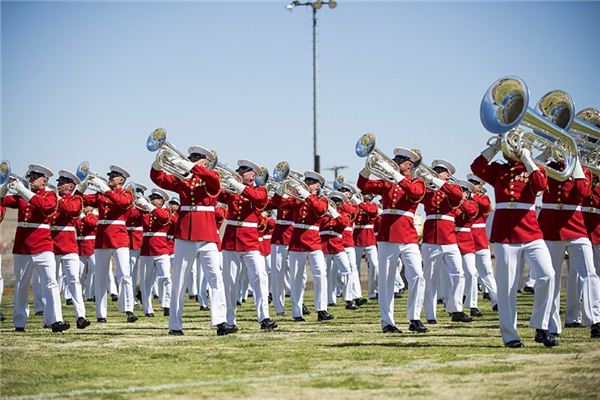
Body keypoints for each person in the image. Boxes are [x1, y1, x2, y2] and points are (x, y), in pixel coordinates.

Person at [471, 140, 557, 348]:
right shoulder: (499, 170)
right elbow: (477, 167)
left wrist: (528, 158)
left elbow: (540, 186)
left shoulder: (534, 168)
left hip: (530, 230)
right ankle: (510, 334)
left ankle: (541, 325)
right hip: (506, 234)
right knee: (507, 286)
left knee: (548, 275)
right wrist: (495, 146)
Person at [151, 145, 234, 336]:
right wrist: (158, 162)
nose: (190, 160)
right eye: (190, 158)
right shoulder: (183, 179)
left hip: (207, 233)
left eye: (195, 158)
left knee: (215, 278)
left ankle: (221, 321)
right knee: (179, 280)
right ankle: (175, 325)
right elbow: (159, 178)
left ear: (205, 162)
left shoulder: (212, 177)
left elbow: (212, 179)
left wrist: (189, 166)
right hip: (186, 233)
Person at [357, 147, 429, 334]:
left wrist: (395, 176)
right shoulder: (386, 183)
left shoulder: (417, 181)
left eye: (400, 159)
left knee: (417, 276)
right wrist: (367, 168)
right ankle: (387, 321)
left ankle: (414, 318)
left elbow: (414, 193)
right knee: (386, 279)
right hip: (388, 234)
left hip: (408, 234)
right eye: (395, 158)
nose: (395, 161)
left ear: (409, 164)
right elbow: (363, 185)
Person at [0, 164, 70, 332]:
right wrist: (5, 186)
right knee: (21, 285)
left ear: (44, 181)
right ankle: (19, 321)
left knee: (50, 283)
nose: (30, 180)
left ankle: (55, 320)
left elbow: (46, 207)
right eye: (30, 177)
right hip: (23, 246)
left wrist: (22, 190)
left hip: (43, 245)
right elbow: (2, 200)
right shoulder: (21, 196)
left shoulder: (50, 194)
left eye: (34, 178)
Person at [538, 158, 600, 339]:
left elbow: (581, 191)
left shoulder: (582, 170)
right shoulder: (548, 167)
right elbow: (537, 184)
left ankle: (595, 320)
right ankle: (551, 324)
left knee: (589, 273)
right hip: (550, 226)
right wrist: (545, 153)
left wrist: (577, 163)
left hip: (575, 225)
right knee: (552, 277)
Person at [219, 159, 277, 331]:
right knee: (229, 282)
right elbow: (214, 191)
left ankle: (264, 317)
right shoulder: (231, 191)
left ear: (252, 175)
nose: (238, 173)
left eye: (243, 171)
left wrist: (238, 187)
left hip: (250, 241)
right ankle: (230, 320)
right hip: (231, 240)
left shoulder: (260, 190)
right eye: (238, 170)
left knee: (260, 278)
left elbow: (260, 201)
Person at [78, 165, 138, 323]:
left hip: (119, 237)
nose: (111, 177)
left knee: (125, 274)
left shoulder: (127, 194)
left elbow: (121, 203)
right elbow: (79, 200)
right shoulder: (100, 195)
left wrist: (104, 188)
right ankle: (101, 314)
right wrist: (83, 184)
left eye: (115, 175)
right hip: (102, 238)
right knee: (100, 276)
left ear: (122, 180)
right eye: (110, 175)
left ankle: (128, 309)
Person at [420, 159, 472, 324]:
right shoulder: (427, 188)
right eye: (434, 170)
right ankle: (430, 315)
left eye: (440, 171)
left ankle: (455, 309)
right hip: (430, 238)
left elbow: (457, 196)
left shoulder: (453, 188)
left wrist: (437, 181)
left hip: (449, 238)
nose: (435, 173)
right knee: (429, 278)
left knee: (458, 274)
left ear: (448, 174)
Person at [281, 170, 334, 322]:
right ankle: (297, 312)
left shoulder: (322, 200)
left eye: (311, 182)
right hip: (297, 240)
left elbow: (319, 210)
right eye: (307, 182)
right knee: (296, 277)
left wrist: (307, 195)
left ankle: (321, 309)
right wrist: (284, 189)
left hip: (313, 240)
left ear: (318, 186)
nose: (307, 184)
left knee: (320, 274)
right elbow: (281, 204)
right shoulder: (297, 199)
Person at [51, 170, 90, 329]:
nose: (59, 185)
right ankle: (53, 317)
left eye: (62, 183)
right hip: (52, 243)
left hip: (68, 245)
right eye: (59, 182)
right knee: (52, 282)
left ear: (71, 186)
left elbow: (72, 210)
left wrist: (57, 199)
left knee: (74, 280)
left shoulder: (75, 199)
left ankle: (80, 316)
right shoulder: (54, 199)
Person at [136, 188, 174, 318]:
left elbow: (163, 219)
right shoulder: (145, 211)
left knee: (166, 277)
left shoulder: (166, 211)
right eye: (151, 198)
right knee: (147, 281)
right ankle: (148, 309)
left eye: (155, 198)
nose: (152, 200)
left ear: (162, 200)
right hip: (146, 248)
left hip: (161, 248)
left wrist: (148, 205)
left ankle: (167, 304)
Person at [466, 174, 498, 310]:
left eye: (476, 183)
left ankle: (496, 300)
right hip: (466, 237)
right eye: (471, 182)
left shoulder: (483, 198)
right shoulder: (463, 198)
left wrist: (471, 195)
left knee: (487, 271)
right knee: (470, 273)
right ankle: (472, 305)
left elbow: (486, 207)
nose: (473, 185)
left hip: (480, 238)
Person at [320, 191, 354, 309]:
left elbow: (344, 223)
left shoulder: (344, 214)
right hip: (324, 245)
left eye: (337, 202)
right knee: (326, 274)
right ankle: (329, 299)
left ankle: (348, 298)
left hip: (337, 245)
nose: (335, 203)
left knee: (347, 271)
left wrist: (333, 213)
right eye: (333, 201)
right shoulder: (322, 213)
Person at [454, 180, 483, 317]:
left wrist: (460, 200)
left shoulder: (471, 204)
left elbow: (471, 212)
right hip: (452, 238)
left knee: (472, 272)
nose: (461, 194)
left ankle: (472, 304)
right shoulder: (452, 202)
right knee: (454, 275)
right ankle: (453, 304)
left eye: (464, 192)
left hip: (466, 239)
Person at [353, 193, 380, 300]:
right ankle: (355, 293)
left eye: (369, 194)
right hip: (357, 237)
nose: (366, 195)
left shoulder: (373, 205)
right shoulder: (356, 205)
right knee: (354, 267)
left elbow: (372, 212)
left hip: (369, 238)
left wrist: (359, 202)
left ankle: (372, 292)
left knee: (374, 265)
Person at [77, 206, 98, 302]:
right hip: (80, 247)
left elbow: (92, 223)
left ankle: (93, 293)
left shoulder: (94, 216)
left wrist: (85, 215)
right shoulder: (79, 217)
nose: (85, 208)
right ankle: (79, 295)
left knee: (95, 271)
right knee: (79, 273)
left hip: (91, 247)